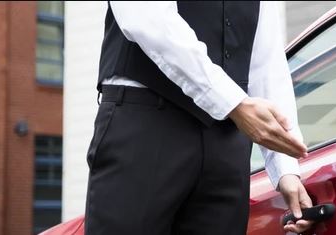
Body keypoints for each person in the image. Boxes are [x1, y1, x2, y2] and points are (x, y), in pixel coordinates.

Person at [86, 1, 314, 234]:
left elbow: (266, 62)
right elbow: (146, 19)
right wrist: (233, 103)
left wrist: (285, 167)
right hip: (145, 126)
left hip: (227, 142)